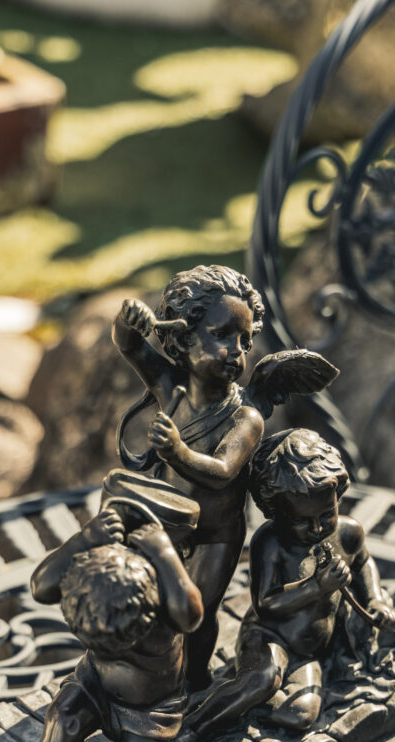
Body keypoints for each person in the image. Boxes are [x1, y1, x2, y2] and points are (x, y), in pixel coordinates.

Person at [183, 429, 395, 742]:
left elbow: (364, 563)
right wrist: (316, 587)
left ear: (338, 496)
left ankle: (236, 699)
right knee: (263, 679)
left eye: (327, 514)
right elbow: (265, 603)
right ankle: (195, 727)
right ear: (276, 513)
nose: (316, 528)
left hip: (307, 653)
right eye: (301, 520)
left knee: (299, 715)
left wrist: (377, 600)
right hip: (270, 637)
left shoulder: (348, 532)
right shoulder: (271, 543)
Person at [113, 265, 266, 690]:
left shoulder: (246, 418)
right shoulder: (169, 385)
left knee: (195, 613)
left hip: (216, 536)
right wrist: (130, 319)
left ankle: (194, 682)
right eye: (222, 335)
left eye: (245, 341)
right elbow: (128, 344)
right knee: (151, 602)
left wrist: (177, 452)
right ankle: (149, 675)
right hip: (166, 525)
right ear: (183, 339)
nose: (237, 351)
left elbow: (221, 472)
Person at [23, 506, 203, 742]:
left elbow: (193, 614)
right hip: (96, 683)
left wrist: (164, 552)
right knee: (62, 718)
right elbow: (41, 585)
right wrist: (85, 539)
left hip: (150, 707)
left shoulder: (165, 599)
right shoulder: (97, 572)